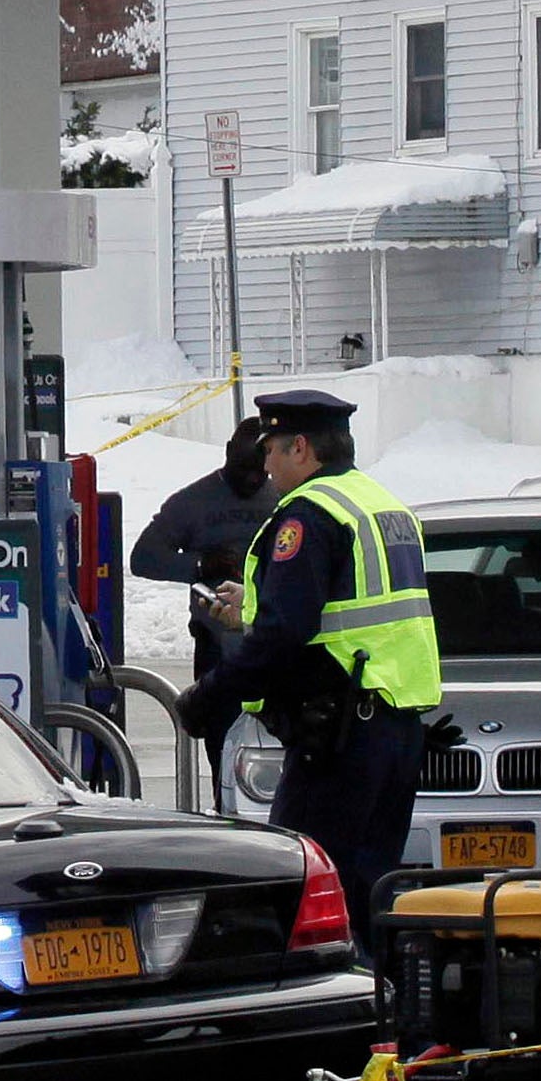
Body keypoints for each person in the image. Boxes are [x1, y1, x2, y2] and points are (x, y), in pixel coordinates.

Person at [178, 390, 441, 935]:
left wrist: (209, 696)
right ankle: (379, 1006)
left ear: (300, 447)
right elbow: (351, 616)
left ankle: (332, 1009)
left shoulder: (309, 515)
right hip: (393, 730)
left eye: (270, 448)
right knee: (370, 895)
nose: (265, 464)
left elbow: (285, 635)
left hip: (339, 739)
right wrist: (248, 610)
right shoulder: (382, 504)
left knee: (308, 896)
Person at [129, 414, 271, 680]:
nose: (253, 479)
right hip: (215, 644)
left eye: (261, 471)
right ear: (228, 451)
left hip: (269, 638)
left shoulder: (283, 499)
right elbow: (143, 558)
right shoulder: (192, 503)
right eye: (243, 468)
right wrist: (201, 564)